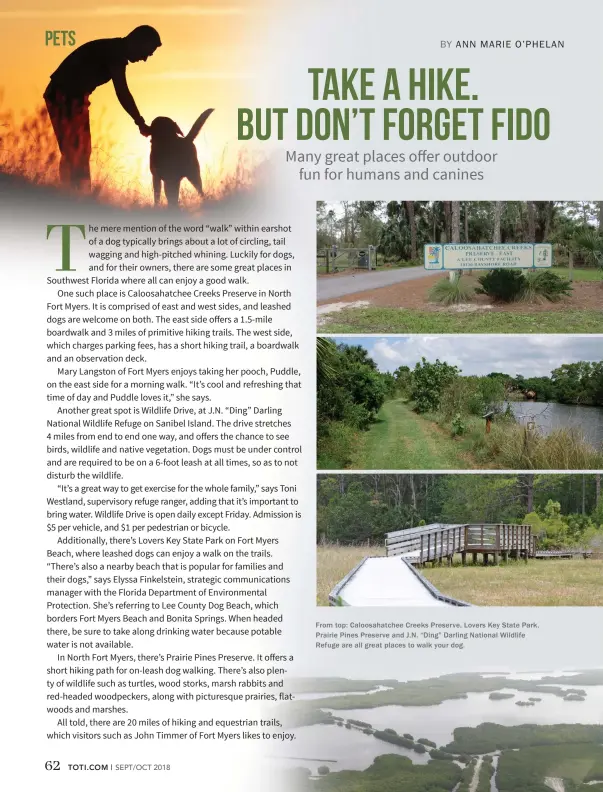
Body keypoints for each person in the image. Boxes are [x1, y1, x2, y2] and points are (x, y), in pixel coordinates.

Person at [43, 25, 161, 188]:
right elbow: (122, 91)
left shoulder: (115, 49)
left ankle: (74, 196)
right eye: (147, 52)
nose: (145, 58)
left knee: (79, 152)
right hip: (63, 96)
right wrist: (139, 122)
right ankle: (75, 197)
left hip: (74, 97)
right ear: (138, 42)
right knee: (76, 153)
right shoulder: (116, 53)